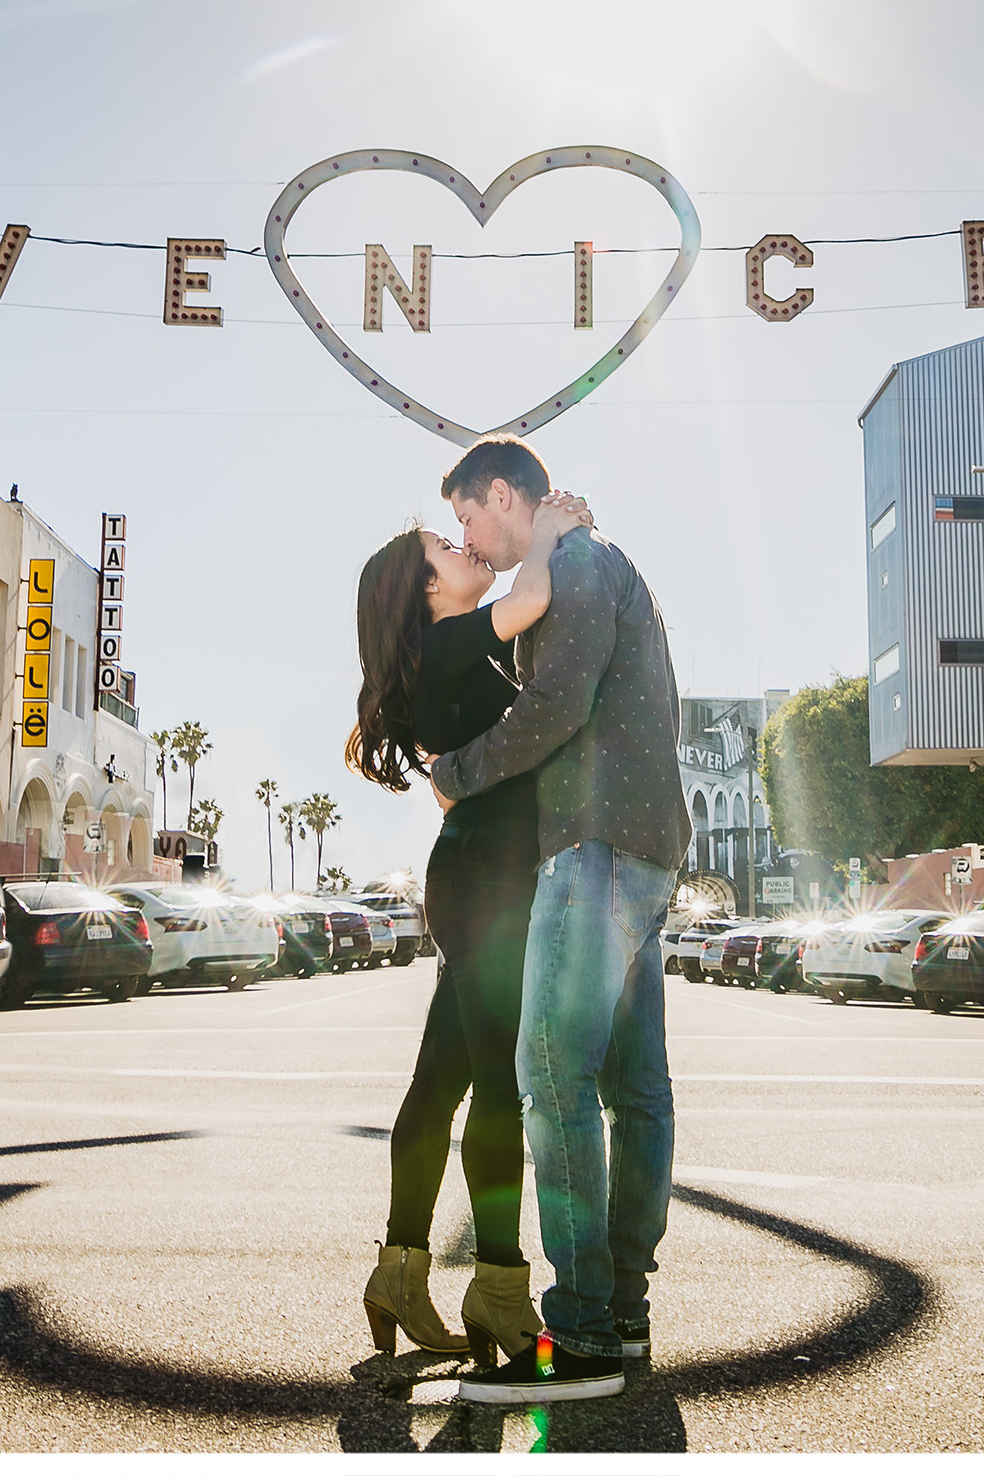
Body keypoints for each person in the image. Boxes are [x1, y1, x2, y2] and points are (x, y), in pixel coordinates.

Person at [428, 435, 689, 1407]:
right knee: (634, 1085)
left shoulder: (577, 563)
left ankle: (577, 1333)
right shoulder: (590, 559)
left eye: (466, 515)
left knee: (553, 1074)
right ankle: (620, 1310)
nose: (467, 535)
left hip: (593, 846)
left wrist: (455, 779)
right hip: (645, 843)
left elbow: (554, 706)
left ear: (504, 495)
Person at [344, 486, 592, 1364]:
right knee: (496, 1087)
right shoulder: (451, 643)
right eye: (442, 549)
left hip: (474, 875)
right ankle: (500, 1289)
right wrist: (554, 529)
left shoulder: (438, 655)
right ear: (426, 592)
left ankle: (398, 1273)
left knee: (441, 1083)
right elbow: (530, 597)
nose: (463, 547)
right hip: (490, 884)